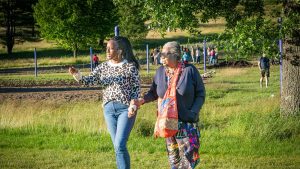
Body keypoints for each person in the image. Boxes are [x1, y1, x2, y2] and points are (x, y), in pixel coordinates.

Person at [129, 41, 206, 169]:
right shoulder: (160, 72)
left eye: (164, 53)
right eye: (161, 53)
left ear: (175, 55)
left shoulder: (190, 70)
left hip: (186, 123)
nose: (161, 56)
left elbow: (201, 94)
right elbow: (153, 93)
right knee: (174, 161)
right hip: (168, 123)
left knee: (188, 162)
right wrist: (140, 101)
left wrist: (193, 112)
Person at [69, 36, 140, 169]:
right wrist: (77, 74)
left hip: (126, 109)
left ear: (120, 50)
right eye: (106, 48)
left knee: (120, 144)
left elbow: (136, 90)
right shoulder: (103, 67)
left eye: (110, 48)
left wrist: (133, 105)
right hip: (108, 109)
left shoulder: (130, 67)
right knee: (117, 147)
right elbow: (87, 81)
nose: (107, 51)